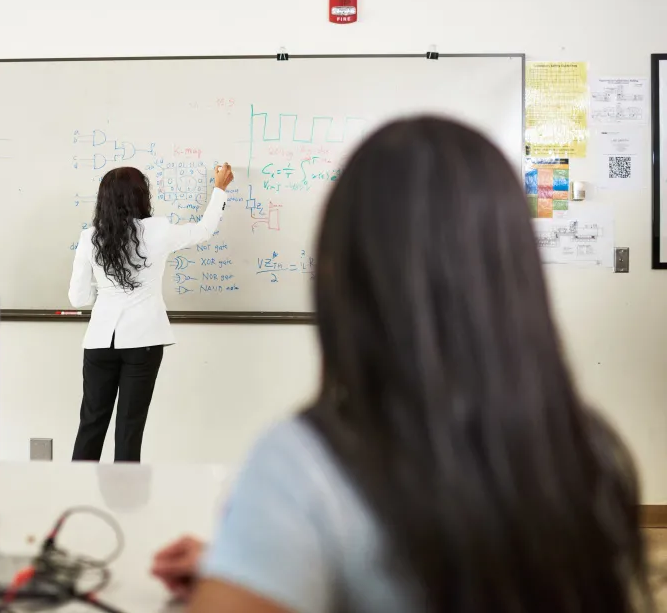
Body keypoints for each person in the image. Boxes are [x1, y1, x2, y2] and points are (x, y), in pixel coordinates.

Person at [150, 118, 650, 613]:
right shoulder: (589, 452)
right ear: (516, 269)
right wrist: (262, 562)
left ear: (340, 272)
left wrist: (257, 557)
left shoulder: (303, 468)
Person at [68, 163, 234, 462]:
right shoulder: (157, 231)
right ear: (141, 195)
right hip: (143, 341)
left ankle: (75, 498)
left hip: (99, 343)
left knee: (91, 424)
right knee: (130, 428)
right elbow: (203, 231)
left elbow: (78, 298)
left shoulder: (89, 237)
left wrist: (105, 294)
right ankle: (123, 504)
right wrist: (219, 189)